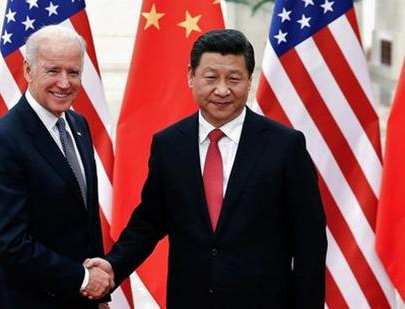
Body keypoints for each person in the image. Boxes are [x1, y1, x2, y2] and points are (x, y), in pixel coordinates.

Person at [85, 29, 327, 308]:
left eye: (234, 79)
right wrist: (112, 268)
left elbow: (310, 243)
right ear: (191, 76)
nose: (222, 90)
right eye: (211, 77)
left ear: (249, 80)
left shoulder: (285, 146)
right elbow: (149, 222)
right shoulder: (169, 144)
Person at [0, 25, 112, 308]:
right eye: (53, 71)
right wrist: (84, 279)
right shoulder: (3, 139)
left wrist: (99, 294)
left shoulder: (78, 125)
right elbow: (8, 243)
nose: (64, 83)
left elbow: (85, 218)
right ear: (28, 70)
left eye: (73, 72)